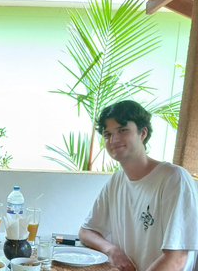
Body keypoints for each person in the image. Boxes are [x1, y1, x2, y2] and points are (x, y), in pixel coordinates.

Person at [79, 100, 198, 271]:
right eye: (107, 134)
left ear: (143, 133)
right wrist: (112, 251)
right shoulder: (116, 181)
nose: (114, 139)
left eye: (122, 130)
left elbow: (176, 259)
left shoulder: (174, 178)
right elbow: (86, 231)